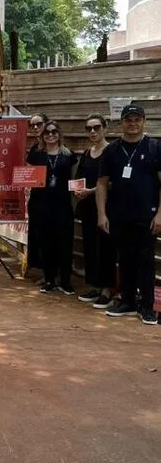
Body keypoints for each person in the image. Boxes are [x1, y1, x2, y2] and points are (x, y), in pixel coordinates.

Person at [97, 104, 160, 325]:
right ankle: (128, 301)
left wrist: (160, 215)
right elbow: (102, 184)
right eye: (128, 120)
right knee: (125, 260)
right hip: (119, 216)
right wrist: (101, 213)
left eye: (137, 119)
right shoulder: (112, 150)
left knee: (146, 262)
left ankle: (148, 307)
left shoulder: (154, 147)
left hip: (146, 216)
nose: (132, 124)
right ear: (121, 122)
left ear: (144, 122)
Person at [27, 121, 77, 295]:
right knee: (45, 243)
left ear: (59, 134)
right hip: (40, 204)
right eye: (47, 132)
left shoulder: (68, 155)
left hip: (62, 205)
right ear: (43, 135)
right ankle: (49, 279)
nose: (50, 135)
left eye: (54, 131)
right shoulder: (36, 155)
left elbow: (73, 180)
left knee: (64, 243)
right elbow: (28, 175)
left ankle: (65, 281)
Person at [74, 114, 116, 308]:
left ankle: (107, 289)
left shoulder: (113, 152)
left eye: (96, 127)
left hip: (107, 208)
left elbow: (113, 182)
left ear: (105, 128)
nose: (93, 132)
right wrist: (78, 191)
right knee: (90, 247)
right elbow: (79, 178)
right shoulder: (86, 153)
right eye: (89, 128)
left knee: (106, 248)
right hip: (87, 208)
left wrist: (91, 191)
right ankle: (95, 286)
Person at [26, 113, 49, 274]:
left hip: (53, 199)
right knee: (37, 234)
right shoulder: (34, 148)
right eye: (32, 125)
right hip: (36, 197)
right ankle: (40, 270)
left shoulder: (57, 147)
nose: (35, 128)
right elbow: (29, 170)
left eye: (38, 124)